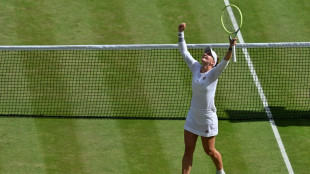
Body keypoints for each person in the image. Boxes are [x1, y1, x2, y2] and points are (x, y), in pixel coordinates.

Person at [178, 23, 236, 174]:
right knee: (188, 150)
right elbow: (184, 53)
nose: (205, 54)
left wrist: (230, 47)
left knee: (209, 151)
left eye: (209, 54)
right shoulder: (196, 67)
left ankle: (220, 171)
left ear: (213, 62)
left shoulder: (213, 74)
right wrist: (180, 34)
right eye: (205, 52)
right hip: (192, 116)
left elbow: (225, 62)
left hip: (207, 118)